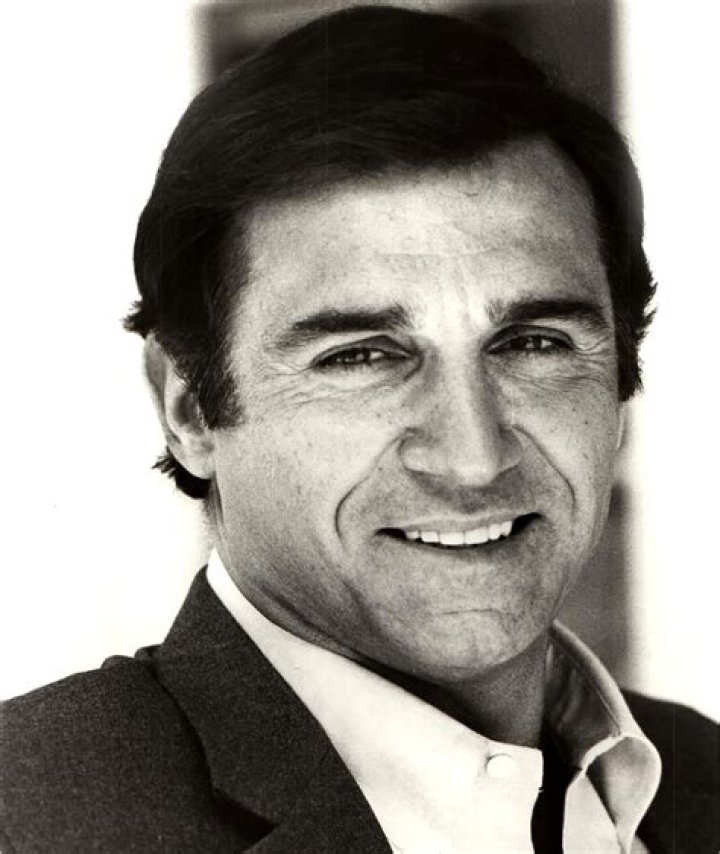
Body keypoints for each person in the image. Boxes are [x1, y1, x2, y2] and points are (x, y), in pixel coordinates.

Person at [2, 7, 716, 853]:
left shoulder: (703, 780)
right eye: (361, 357)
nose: (473, 457)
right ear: (189, 409)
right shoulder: (27, 816)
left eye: (533, 343)